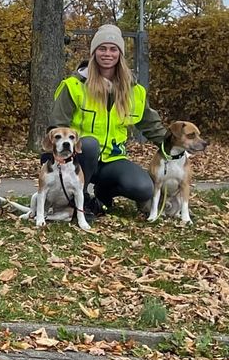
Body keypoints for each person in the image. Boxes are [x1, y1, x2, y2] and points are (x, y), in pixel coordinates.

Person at [50, 24, 166, 217]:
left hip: (112, 160)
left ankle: (103, 193)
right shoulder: (74, 86)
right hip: (78, 157)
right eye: (102, 48)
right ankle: (80, 203)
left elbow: (151, 125)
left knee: (144, 188)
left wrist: (174, 148)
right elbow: (56, 126)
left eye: (113, 49)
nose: (107, 54)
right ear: (94, 53)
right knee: (89, 144)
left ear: (120, 54)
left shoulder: (134, 91)